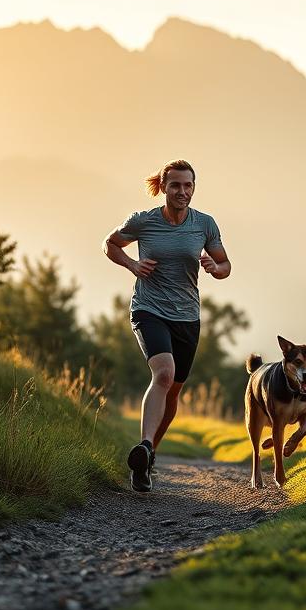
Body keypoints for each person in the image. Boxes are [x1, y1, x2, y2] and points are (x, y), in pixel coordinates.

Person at [102, 159, 231, 492]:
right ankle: (145, 445)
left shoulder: (204, 224)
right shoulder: (143, 222)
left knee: (174, 390)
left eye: (188, 185)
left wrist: (213, 267)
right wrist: (132, 264)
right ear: (163, 187)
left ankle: (148, 457)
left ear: (193, 187)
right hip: (149, 309)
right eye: (175, 185)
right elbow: (110, 244)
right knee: (163, 374)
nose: (182, 192)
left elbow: (225, 264)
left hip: (187, 316)